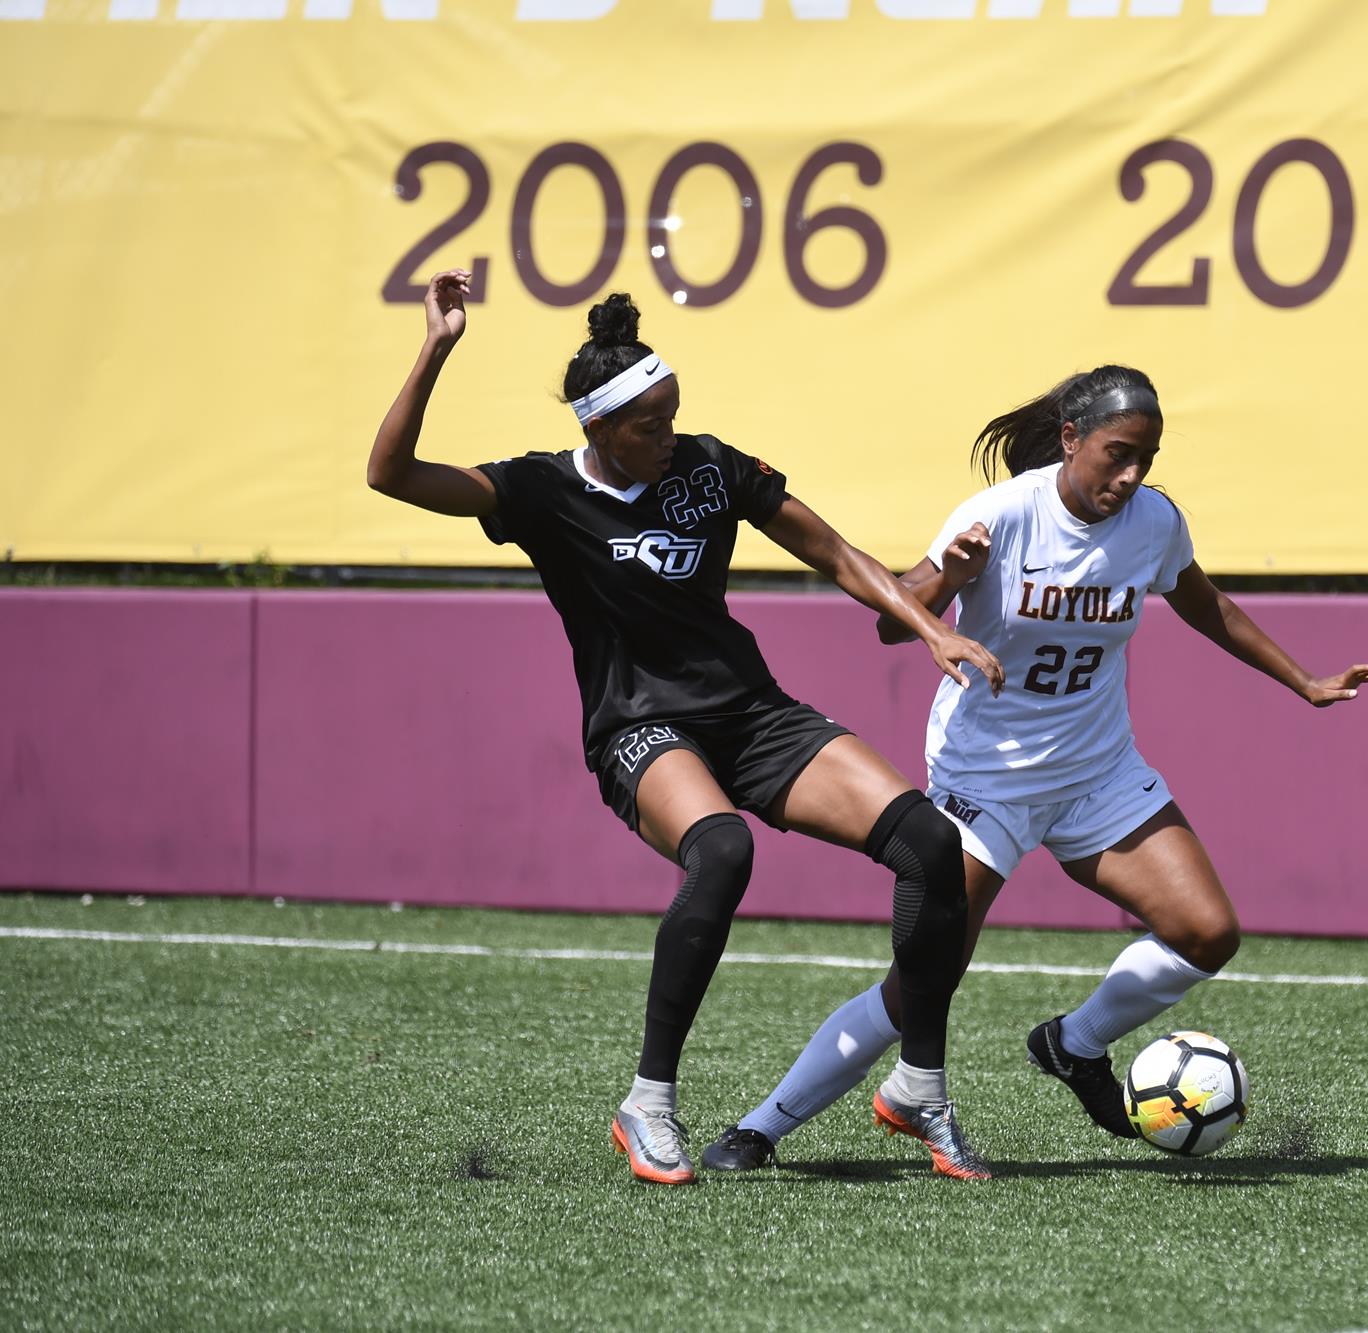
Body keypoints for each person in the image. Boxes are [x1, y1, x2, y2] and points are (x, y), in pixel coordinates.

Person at [365, 269, 1007, 1183]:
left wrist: (933, 626)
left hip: (751, 714)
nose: (669, 436)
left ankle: (918, 1087)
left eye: (673, 415)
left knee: (931, 846)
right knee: (724, 852)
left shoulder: (708, 467)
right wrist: (434, 350)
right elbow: (389, 474)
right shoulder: (540, 493)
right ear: (598, 429)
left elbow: (830, 550)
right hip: (640, 726)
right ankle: (649, 1103)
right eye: (648, 425)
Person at [699, 365, 1368, 1171]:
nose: (1130, 475)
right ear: (1071, 440)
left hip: (1096, 769)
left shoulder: (1154, 521)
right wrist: (950, 580)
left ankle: (1074, 1042)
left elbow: (1208, 605)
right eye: (1117, 454)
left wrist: (1303, 680)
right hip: (984, 780)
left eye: (1146, 456)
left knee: (1207, 931)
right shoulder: (1002, 513)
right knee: (920, 983)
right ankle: (761, 1127)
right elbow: (899, 622)